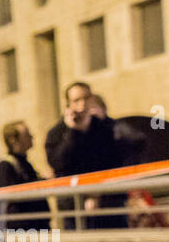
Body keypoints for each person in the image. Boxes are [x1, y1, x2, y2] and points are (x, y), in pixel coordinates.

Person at [44, 82, 126, 230]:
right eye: (76, 100)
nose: (82, 104)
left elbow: (127, 149)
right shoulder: (58, 132)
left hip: (109, 204)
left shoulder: (104, 126)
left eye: (86, 98)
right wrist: (72, 132)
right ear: (68, 104)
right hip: (74, 209)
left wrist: (105, 119)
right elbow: (58, 163)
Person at [0, 121, 51, 231]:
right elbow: (9, 198)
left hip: (37, 226)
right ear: (13, 140)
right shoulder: (6, 166)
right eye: (26, 134)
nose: (31, 136)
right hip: (24, 231)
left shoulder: (25, 163)